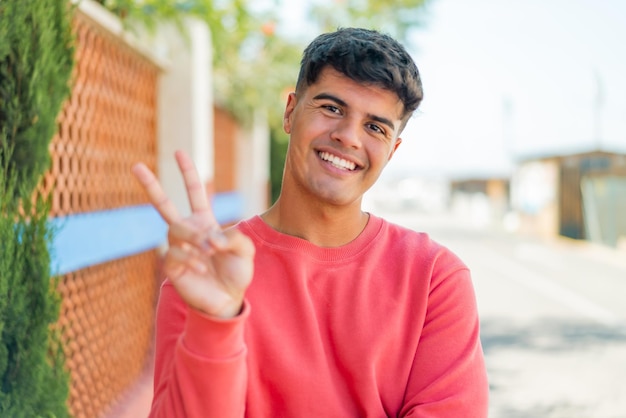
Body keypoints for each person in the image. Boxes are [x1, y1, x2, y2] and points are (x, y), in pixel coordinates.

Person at [132, 27, 489, 417]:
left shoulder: (434, 278)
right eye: (331, 108)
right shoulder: (207, 274)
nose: (348, 137)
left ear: (392, 151)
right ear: (290, 111)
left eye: (375, 127)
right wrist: (216, 321)